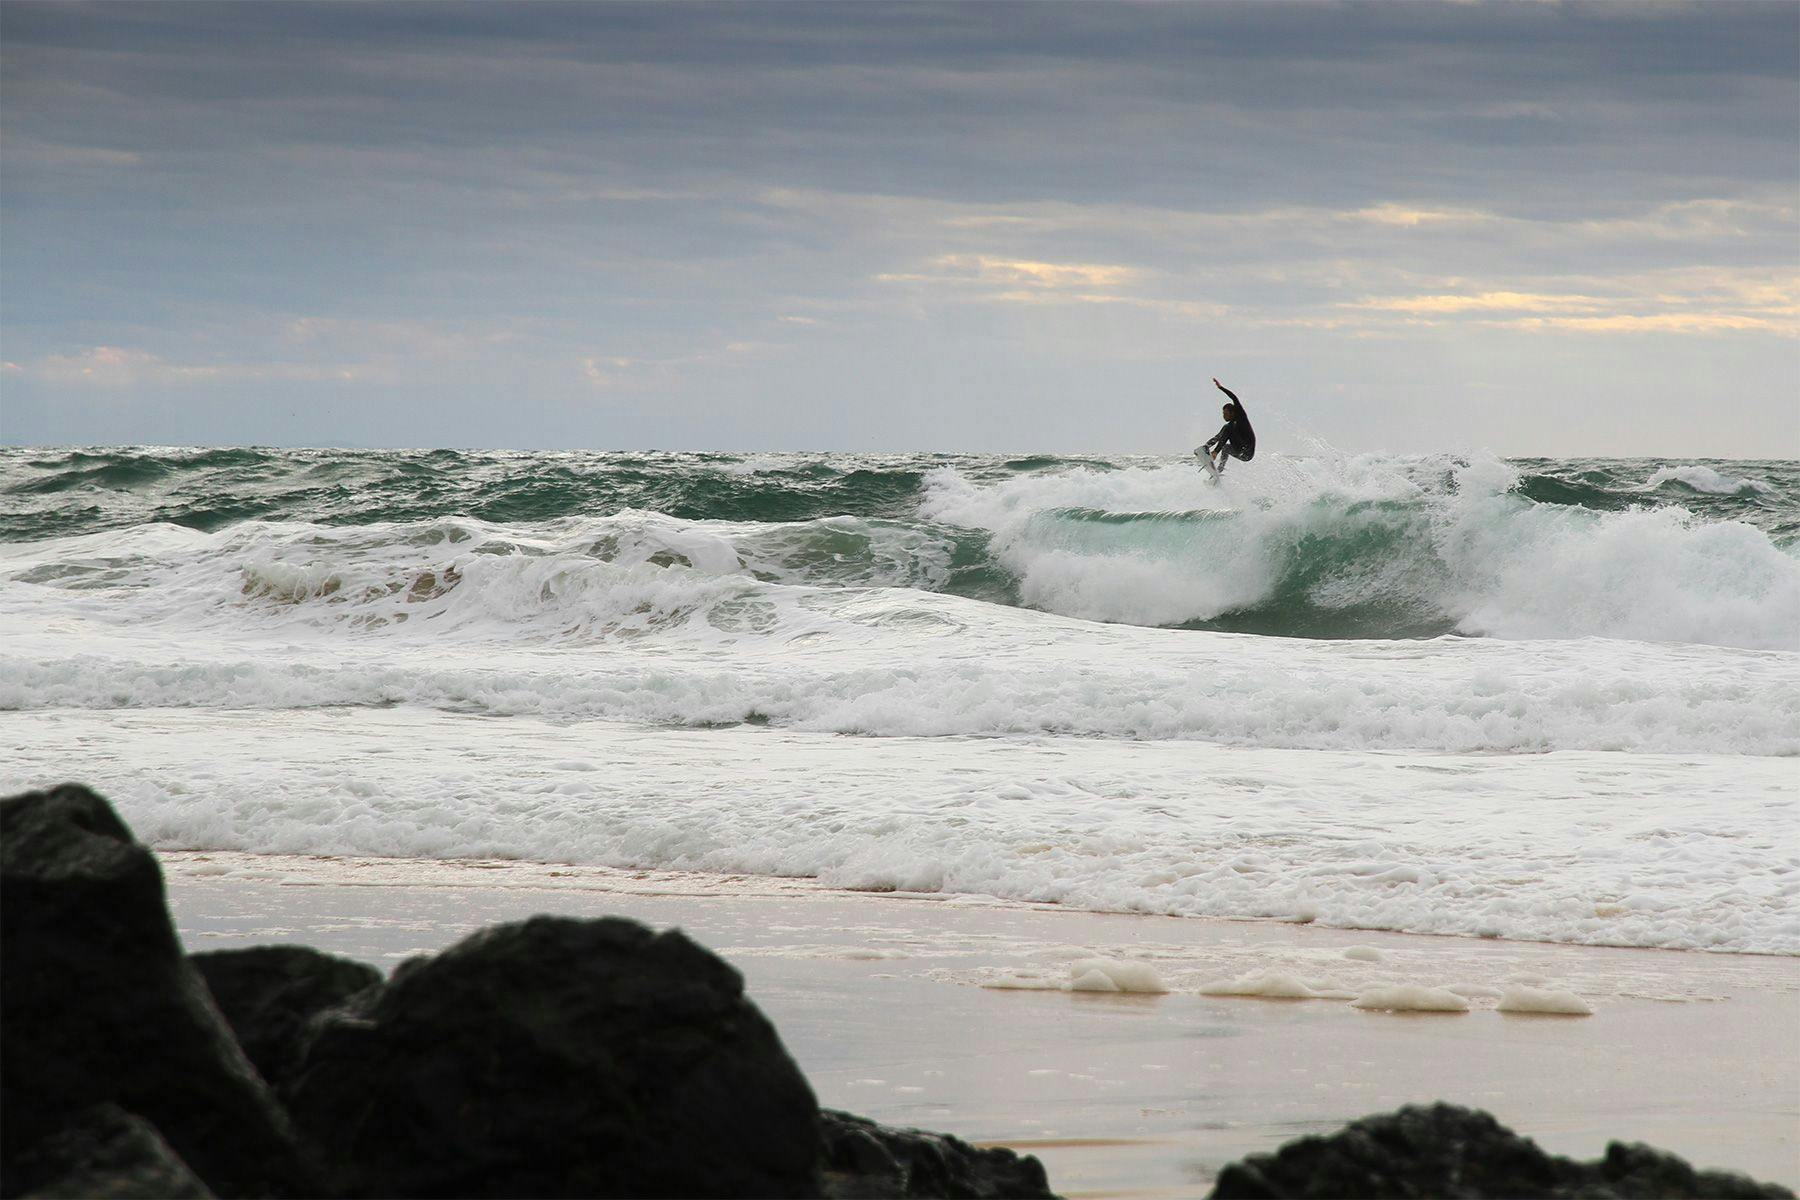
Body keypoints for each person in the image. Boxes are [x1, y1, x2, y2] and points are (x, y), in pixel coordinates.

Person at [1199, 377, 1255, 475]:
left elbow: (1234, 398)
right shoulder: (1230, 425)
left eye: (1225, 413)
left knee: (1227, 429)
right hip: (1240, 451)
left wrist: (1221, 387)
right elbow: (1220, 437)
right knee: (1225, 445)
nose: (1223, 416)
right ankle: (1218, 468)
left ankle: (1214, 452)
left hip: (1247, 451)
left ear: (1232, 413)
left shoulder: (1241, 416)